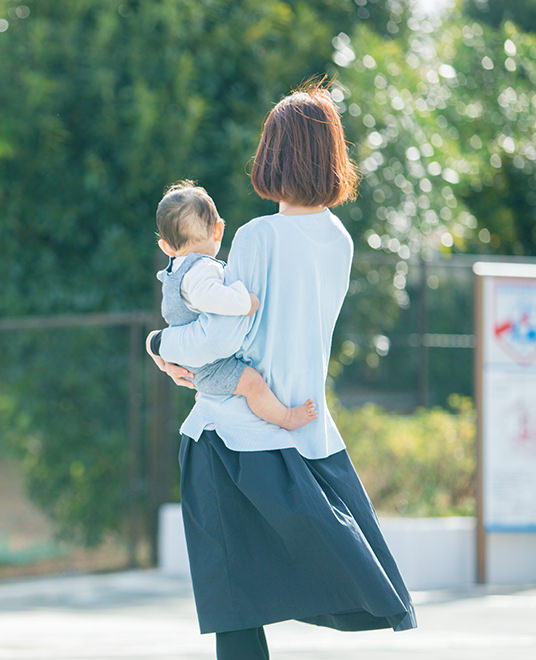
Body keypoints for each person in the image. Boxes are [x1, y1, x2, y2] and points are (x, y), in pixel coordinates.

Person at [146, 79, 416, 660]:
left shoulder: (256, 235)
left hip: (229, 438)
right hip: (306, 435)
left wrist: (159, 345)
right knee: (325, 584)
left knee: (236, 613)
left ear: (274, 154)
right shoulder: (339, 240)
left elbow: (224, 332)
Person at [154, 180, 318, 431]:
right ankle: (286, 418)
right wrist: (244, 302)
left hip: (194, 358)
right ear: (218, 231)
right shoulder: (201, 267)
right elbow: (208, 296)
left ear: (165, 246)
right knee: (252, 383)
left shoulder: (177, 268)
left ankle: (215, 394)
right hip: (209, 365)